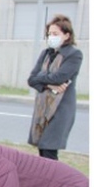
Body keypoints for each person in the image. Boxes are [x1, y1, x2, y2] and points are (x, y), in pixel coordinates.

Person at [27, 14, 83, 161]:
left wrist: (42, 80)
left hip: (59, 108)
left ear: (66, 35)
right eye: (49, 34)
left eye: (55, 34)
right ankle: (47, 181)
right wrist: (48, 84)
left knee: (49, 149)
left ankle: (54, 182)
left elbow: (60, 78)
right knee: (42, 149)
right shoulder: (46, 53)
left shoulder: (74, 54)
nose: (51, 37)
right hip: (43, 108)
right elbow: (31, 79)